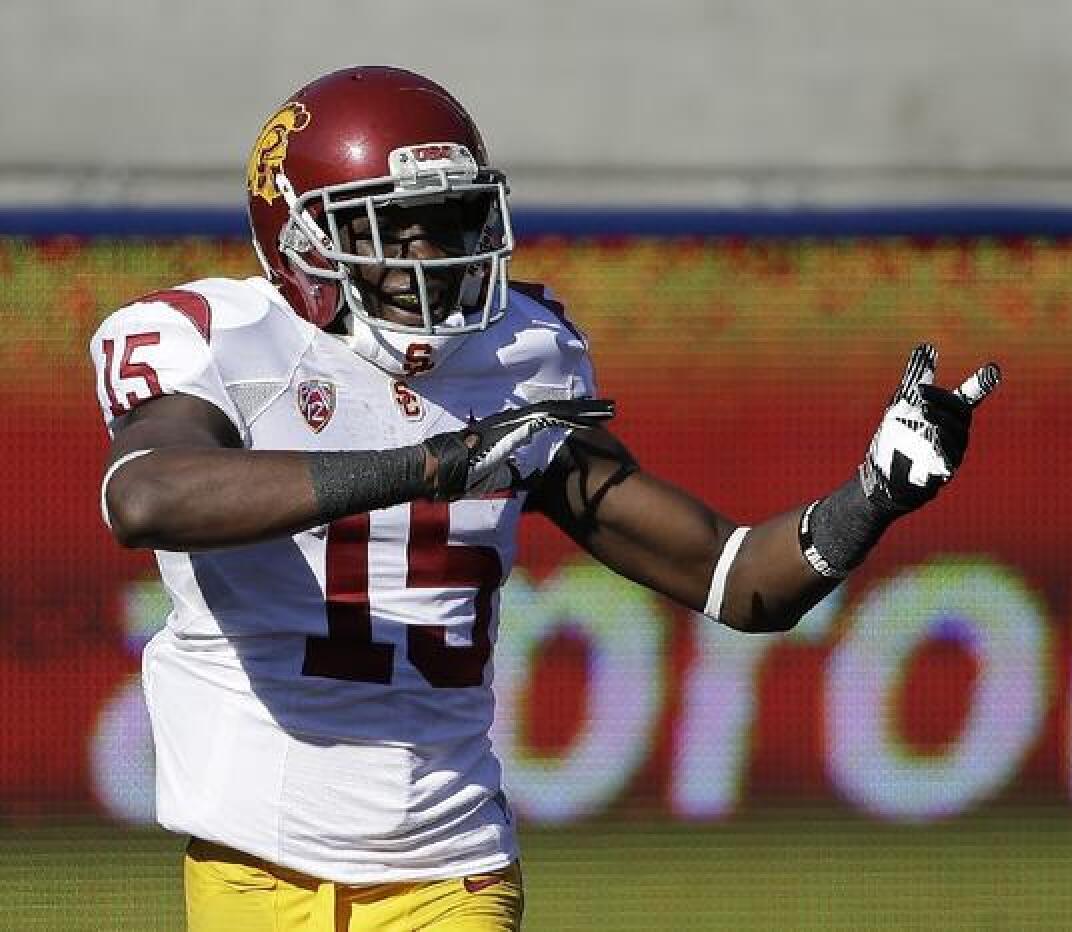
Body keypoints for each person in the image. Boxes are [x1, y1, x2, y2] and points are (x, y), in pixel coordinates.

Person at [90, 66, 999, 932]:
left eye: (447, 224)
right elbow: (147, 497)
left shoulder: (524, 356)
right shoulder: (223, 343)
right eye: (392, 230)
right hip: (255, 858)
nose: (430, 259)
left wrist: (872, 499)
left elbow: (736, 579)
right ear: (303, 247)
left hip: (452, 863)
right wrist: (422, 467)